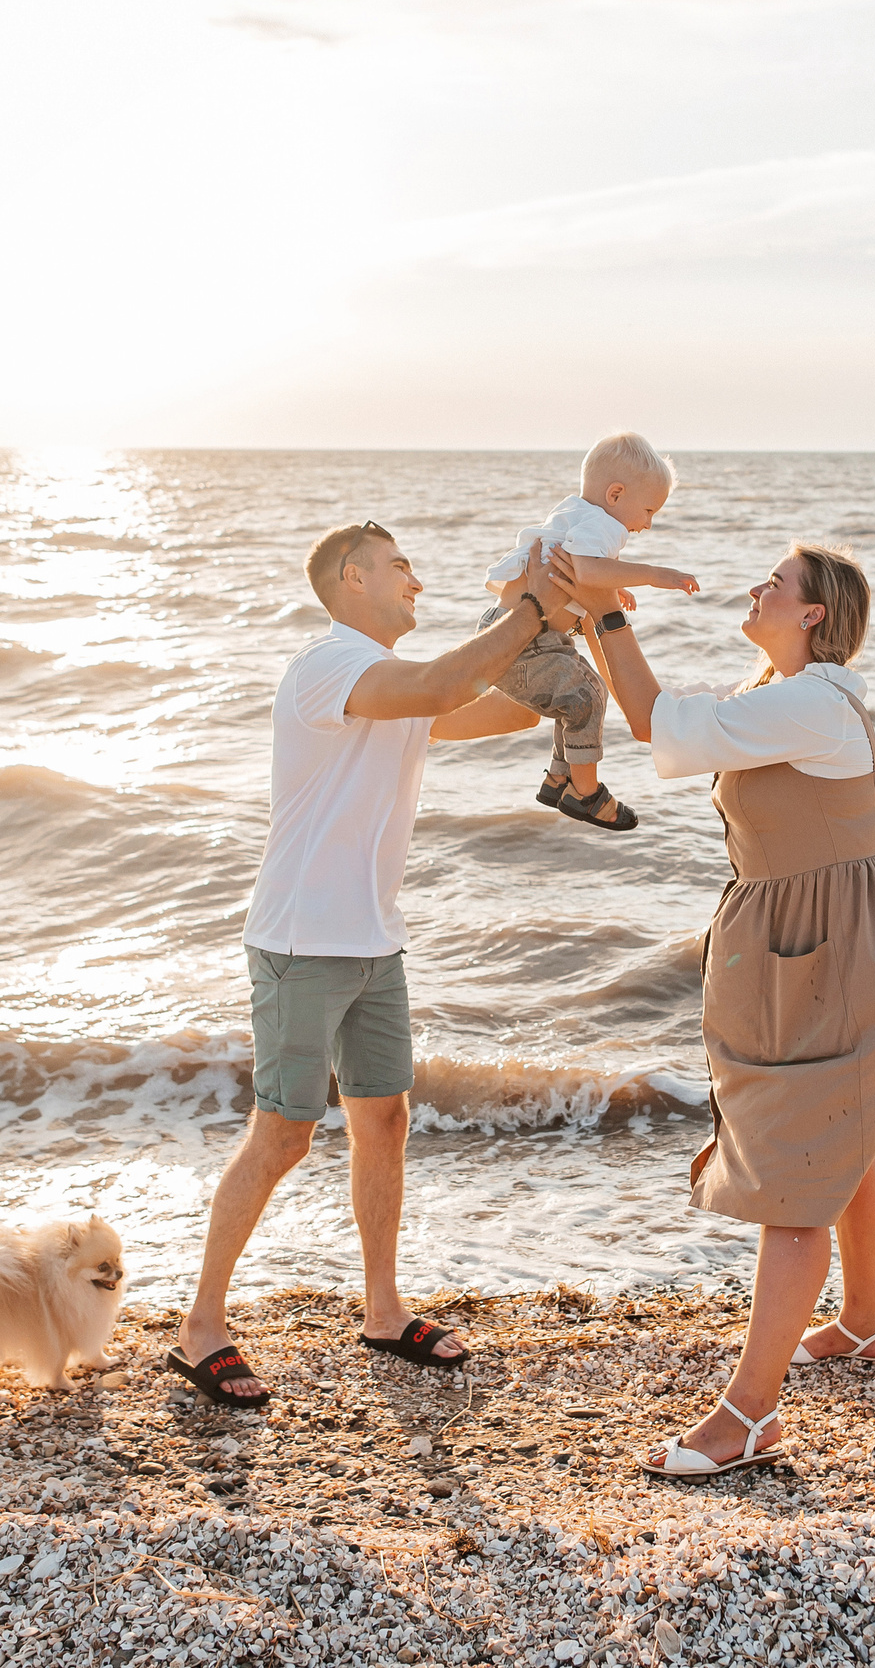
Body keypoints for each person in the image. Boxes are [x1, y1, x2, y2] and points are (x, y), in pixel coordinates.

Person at [566, 541, 875, 1478]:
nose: (757, 589)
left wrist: (606, 608)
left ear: (813, 614)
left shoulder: (815, 702)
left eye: (775, 583)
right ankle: (861, 1326)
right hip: (828, 935)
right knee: (848, 1138)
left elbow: (657, 721)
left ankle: (747, 1415)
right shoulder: (786, 692)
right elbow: (671, 722)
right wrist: (589, 617)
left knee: (796, 1173)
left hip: (845, 945)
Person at [166, 522, 562, 1409]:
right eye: (399, 566)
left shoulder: (397, 690)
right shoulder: (327, 667)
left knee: (385, 1121)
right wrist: (528, 607)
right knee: (285, 1135)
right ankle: (201, 1328)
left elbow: (508, 705)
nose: (416, 580)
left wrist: (576, 626)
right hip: (303, 941)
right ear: (352, 579)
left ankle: (383, 1311)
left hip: (376, 941)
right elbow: (442, 682)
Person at [476, 432, 701, 832]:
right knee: (585, 699)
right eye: (648, 510)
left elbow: (582, 566)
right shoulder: (605, 526)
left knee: (587, 690)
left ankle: (557, 778)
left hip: (510, 632)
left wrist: (616, 587)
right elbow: (588, 571)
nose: (647, 524)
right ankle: (584, 793)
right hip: (525, 644)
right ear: (615, 494)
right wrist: (655, 575)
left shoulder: (574, 513)